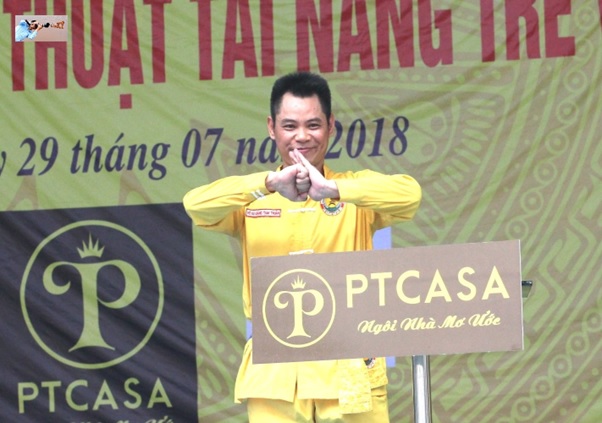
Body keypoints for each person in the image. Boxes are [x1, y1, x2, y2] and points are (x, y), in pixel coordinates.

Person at [183, 71, 421, 422]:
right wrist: (268, 183)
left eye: (313, 125)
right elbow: (195, 205)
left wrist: (333, 190)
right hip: (275, 374)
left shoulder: (351, 191)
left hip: (348, 370)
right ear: (272, 128)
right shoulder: (255, 197)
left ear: (331, 126)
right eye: (290, 126)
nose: (302, 136)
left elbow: (410, 195)